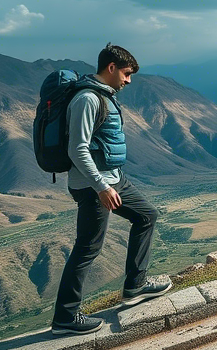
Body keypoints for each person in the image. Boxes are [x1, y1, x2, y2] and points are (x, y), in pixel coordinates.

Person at [51, 43, 171, 335]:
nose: (129, 80)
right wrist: (102, 187)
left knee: (147, 215)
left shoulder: (104, 96)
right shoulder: (87, 99)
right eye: (127, 74)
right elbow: (76, 149)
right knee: (88, 248)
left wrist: (109, 181)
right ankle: (65, 317)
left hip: (112, 178)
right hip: (93, 185)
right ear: (112, 68)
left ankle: (135, 285)